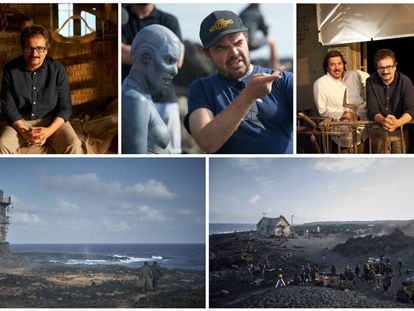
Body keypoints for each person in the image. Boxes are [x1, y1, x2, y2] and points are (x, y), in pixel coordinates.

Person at [184, 10, 293, 154]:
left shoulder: (283, 80)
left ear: (247, 39)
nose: (234, 52)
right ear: (206, 54)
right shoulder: (202, 88)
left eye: (238, 42)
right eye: (222, 48)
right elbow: (207, 143)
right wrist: (248, 96)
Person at [0, 25, 82, 154]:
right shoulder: (10, 69)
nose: (34, 54)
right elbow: (8, 106)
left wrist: (48, 131)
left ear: (46, 50)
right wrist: (23, 132)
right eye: (29, 49)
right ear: (22, 49)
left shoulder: (57, 69)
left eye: (39, 48)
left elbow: (65, 107)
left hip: (51, 119)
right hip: (21, 121)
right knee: (2, 144)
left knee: (74, 144)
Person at [122, 4, 184, 154]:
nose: (175, 70)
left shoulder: (168, 19)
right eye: (168, 60)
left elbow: (180, 57)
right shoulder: (136, 100)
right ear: (145, 57)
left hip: (165, 99)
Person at [313, 50, 369, 152]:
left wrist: (359, 115)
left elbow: (369, 78)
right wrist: (343, 114)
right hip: (341, 138)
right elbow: (322, 110)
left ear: (343, 64)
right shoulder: (321, 83)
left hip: (362, 134)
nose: (337, 68)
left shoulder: (353, 75)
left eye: (339, 64)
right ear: (327, 67)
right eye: (332, 65)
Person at [367, 48, 414, 153]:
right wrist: (383, 120)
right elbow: (372, 109)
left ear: (395, 66)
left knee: (399, 165)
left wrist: (397, 123)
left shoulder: (405, 81)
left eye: (389, 67)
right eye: (381, 68)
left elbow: (411, 109)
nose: (385, 71)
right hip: (379, 130)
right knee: (380, 165)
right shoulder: (371, 81)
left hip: (400, 131)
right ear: (377, 68)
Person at [239, 4, 278, 68]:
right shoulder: (258, 13)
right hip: (251, 43)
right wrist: (266, 27)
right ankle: (276, 67)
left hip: (240, 43)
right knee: (272, 40)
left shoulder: (242, 12)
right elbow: (265, 33)